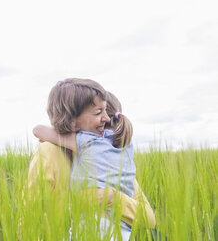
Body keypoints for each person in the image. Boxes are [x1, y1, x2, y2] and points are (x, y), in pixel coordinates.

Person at [28, 78, 155, 239]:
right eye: (98, 114)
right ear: (74, 123)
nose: (106, 140)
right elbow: (30, 216)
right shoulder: (50, 152)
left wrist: (111, 197)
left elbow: (149, 219)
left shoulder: (114, 160)